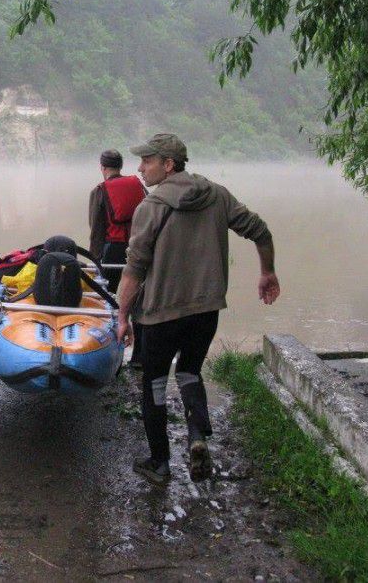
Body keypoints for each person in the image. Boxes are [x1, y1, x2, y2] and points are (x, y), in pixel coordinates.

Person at [116, 133, 280, 485]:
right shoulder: (217, 195)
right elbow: (261, 231)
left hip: (161, 315)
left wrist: (121, 316)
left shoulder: (151, 207)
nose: (141, 168)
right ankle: (196, 438)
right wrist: (267, 272)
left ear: (168, 165)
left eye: (148, 161)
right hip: (206, 312)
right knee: (190, 371)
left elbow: (134, 268)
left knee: (155, 383)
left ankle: (159, 464)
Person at [88, 149, 147, 292]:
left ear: (102, 167)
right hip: (139, 246)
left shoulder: (99, 191)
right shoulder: (138, 185)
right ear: (120, 166)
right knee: (137, 289)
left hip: (113, 251)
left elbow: (96, 228)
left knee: (111, 293)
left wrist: (95, 259)